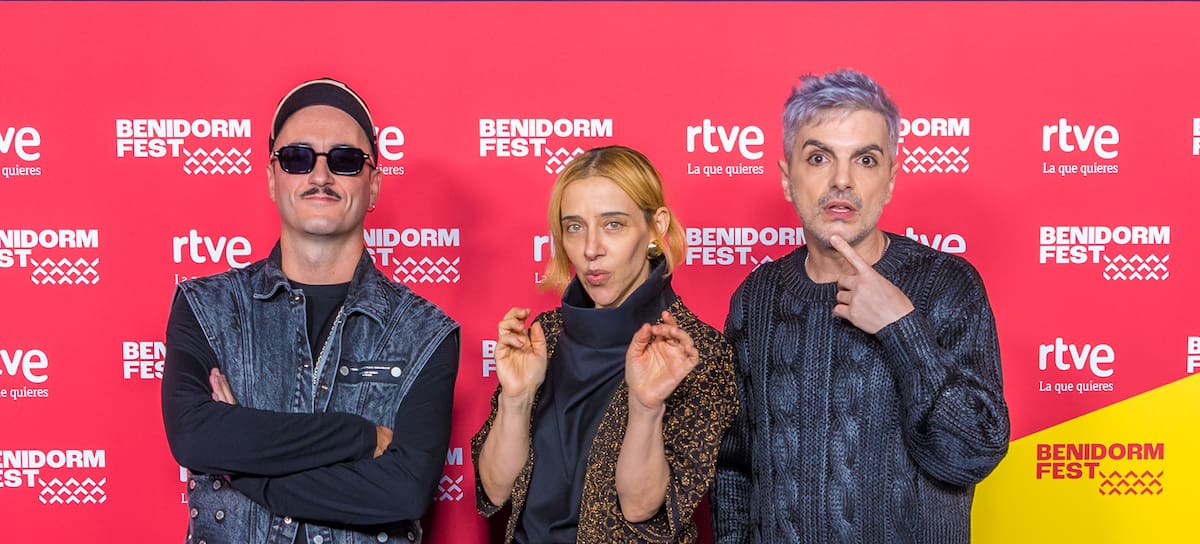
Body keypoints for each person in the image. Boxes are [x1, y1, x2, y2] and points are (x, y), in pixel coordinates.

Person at [711, 69, 1010, 542]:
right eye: (818, 158)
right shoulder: (757, 298)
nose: (842, 180)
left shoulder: (947, 285)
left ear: (889, 180)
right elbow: (733, 466)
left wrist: (900, 326)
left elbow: (973, 454)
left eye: (865, 160)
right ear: (787, 179)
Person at [161, 77, 460, 544]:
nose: (320, 176)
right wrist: (358, 437)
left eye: (345, 160)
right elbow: (194, 437)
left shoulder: (426, 332)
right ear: (272, 178)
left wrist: (243, 470)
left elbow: (403, 492)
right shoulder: (206, 307)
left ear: (373, 185)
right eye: (297, 158)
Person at [470, 145, 737, 543]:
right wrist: (517, 398)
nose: (591, 249)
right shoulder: (544, 336)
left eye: (613, 224)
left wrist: (645, 408)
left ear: (656, 226)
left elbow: (641, 509)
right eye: (574, 227)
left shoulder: (695, 351)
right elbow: (495, 492)